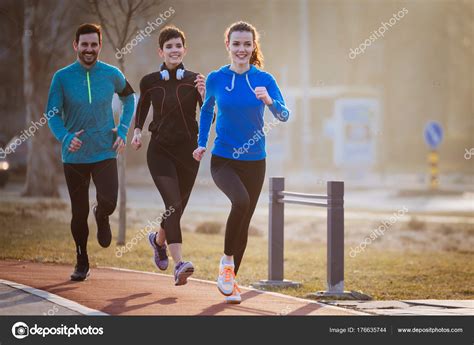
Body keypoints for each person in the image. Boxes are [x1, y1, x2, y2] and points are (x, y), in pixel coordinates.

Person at [193, 21, 290, 303]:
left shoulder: (265, 80)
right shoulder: (216, 79)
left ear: (253, 46)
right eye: (236, 44)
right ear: (228, 45)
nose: (242, 49)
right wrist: (201, 144)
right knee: (241, 202)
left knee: (244, 220)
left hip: (255, 160)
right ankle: (226, 263)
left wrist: (270, 102)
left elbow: (284, 115)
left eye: (247, 44)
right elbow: (207, 112)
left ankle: (230, 279)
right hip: (223, 159)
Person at [46, 23, 135, 281]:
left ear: (99, 46)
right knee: (78, 212)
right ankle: (81, 259)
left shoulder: (111, 73)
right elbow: (51, 114)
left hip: (105, 150)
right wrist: (65, 137)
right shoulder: (61, 77)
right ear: (76, 46)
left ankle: (102, 213)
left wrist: (123, 130)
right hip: (74, 156)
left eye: (93, 44)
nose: (89, 49)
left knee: (109, 200)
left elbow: (130, 97)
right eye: (84, 44)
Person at [132, 26, 205, 286]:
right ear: (160, 51)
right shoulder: (150, 81)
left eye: (178, 46)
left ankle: (158, 241)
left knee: (177, 208)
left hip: (189, 153)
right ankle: (179, 264)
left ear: (185, 50)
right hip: (159, 151)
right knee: (173, 204)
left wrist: (206, 97)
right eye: (169, 47)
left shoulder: (196, 80)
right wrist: (137, 131)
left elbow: (208, 116)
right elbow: (141, 109)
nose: (174, 50)